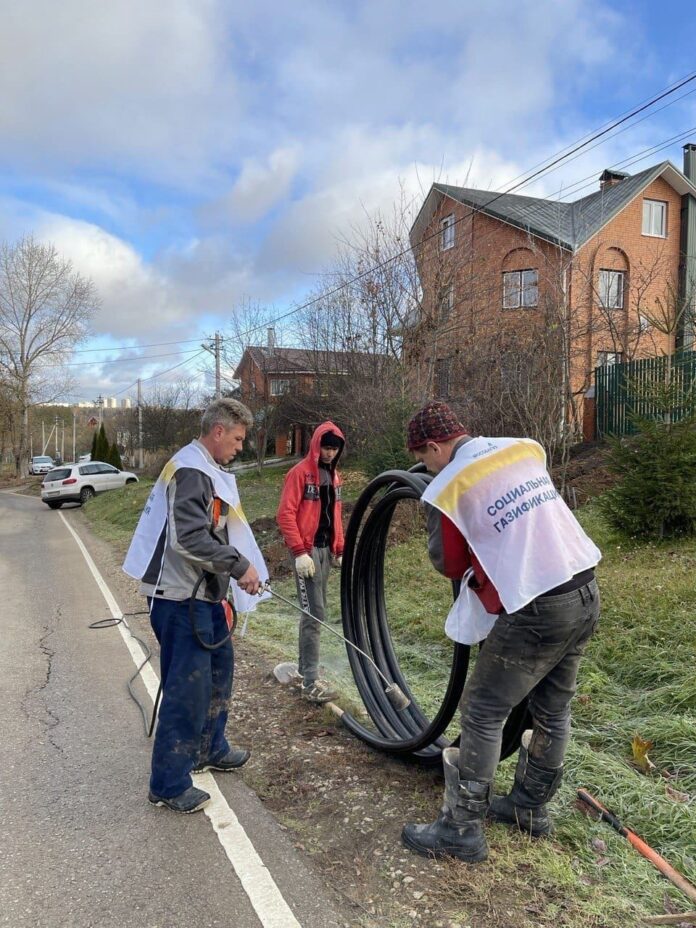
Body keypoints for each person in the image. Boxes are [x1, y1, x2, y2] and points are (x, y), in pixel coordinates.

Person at [401, 402, 601, 862]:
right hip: (585, 587)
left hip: (539, 605)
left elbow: (447, 563)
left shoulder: (450, 483)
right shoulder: (517, 449)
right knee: (553, 708)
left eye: (424, 457)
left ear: (434, 447)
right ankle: (530, 808)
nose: (425, 467)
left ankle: (461, 829)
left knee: (483, 710)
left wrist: (441, 505)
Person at [123, 399, 265, 814]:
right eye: (237, 439)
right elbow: (187, 539)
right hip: (179, 599)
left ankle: (209, 748)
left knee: (219, 674)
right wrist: (239, 567)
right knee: (187, 690)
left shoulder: (206, 470)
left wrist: (232, 574)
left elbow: (212, 531)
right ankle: (168, 783)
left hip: (203, 597)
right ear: (217, 432)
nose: (240, 447)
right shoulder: (191, 470)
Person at [276, 422, 345, 703]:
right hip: (306, 554)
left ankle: (307, 670)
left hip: (324, 552)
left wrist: (338, 548)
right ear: (317, 445)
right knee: (313, 613)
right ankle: (310, 681)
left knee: (317, 611)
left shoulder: (335, 476)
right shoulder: (300, 474)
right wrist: (299, 552)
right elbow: (285, 514)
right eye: (326, 447)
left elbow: (335, 514)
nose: (329, 453)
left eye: (334, 449)